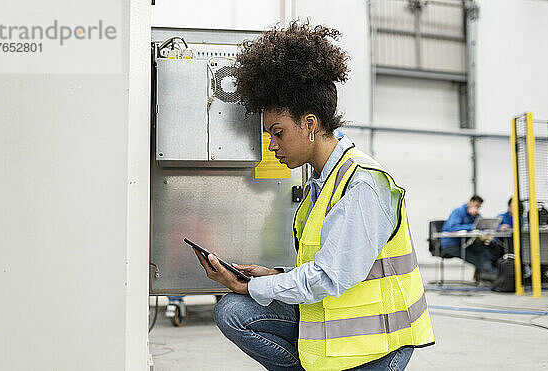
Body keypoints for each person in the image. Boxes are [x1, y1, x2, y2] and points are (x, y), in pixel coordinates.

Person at [190, 21, 434, 371]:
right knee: (232, 312)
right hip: (334, 326)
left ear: (309, 124)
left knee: (241, 301)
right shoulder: (322, 182)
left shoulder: (361, 183)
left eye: (278, 133)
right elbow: (328, 263)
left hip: (376, 346)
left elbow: (331, 277)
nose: (272, 146)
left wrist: (252, 287)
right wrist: (270, 274)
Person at [441, 195, 497, 279]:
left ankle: (488, 274)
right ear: (470, 202)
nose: (477, 209)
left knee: (484, 249)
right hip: (451, 245)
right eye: (476, 206)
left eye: (479, 207)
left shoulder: (474, 215)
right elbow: (452, 227)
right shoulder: (458, 212)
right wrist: (473, 226)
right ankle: (491, 274)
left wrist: (477, 217)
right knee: (476, 258)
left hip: (466, 243)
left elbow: (481, 224)